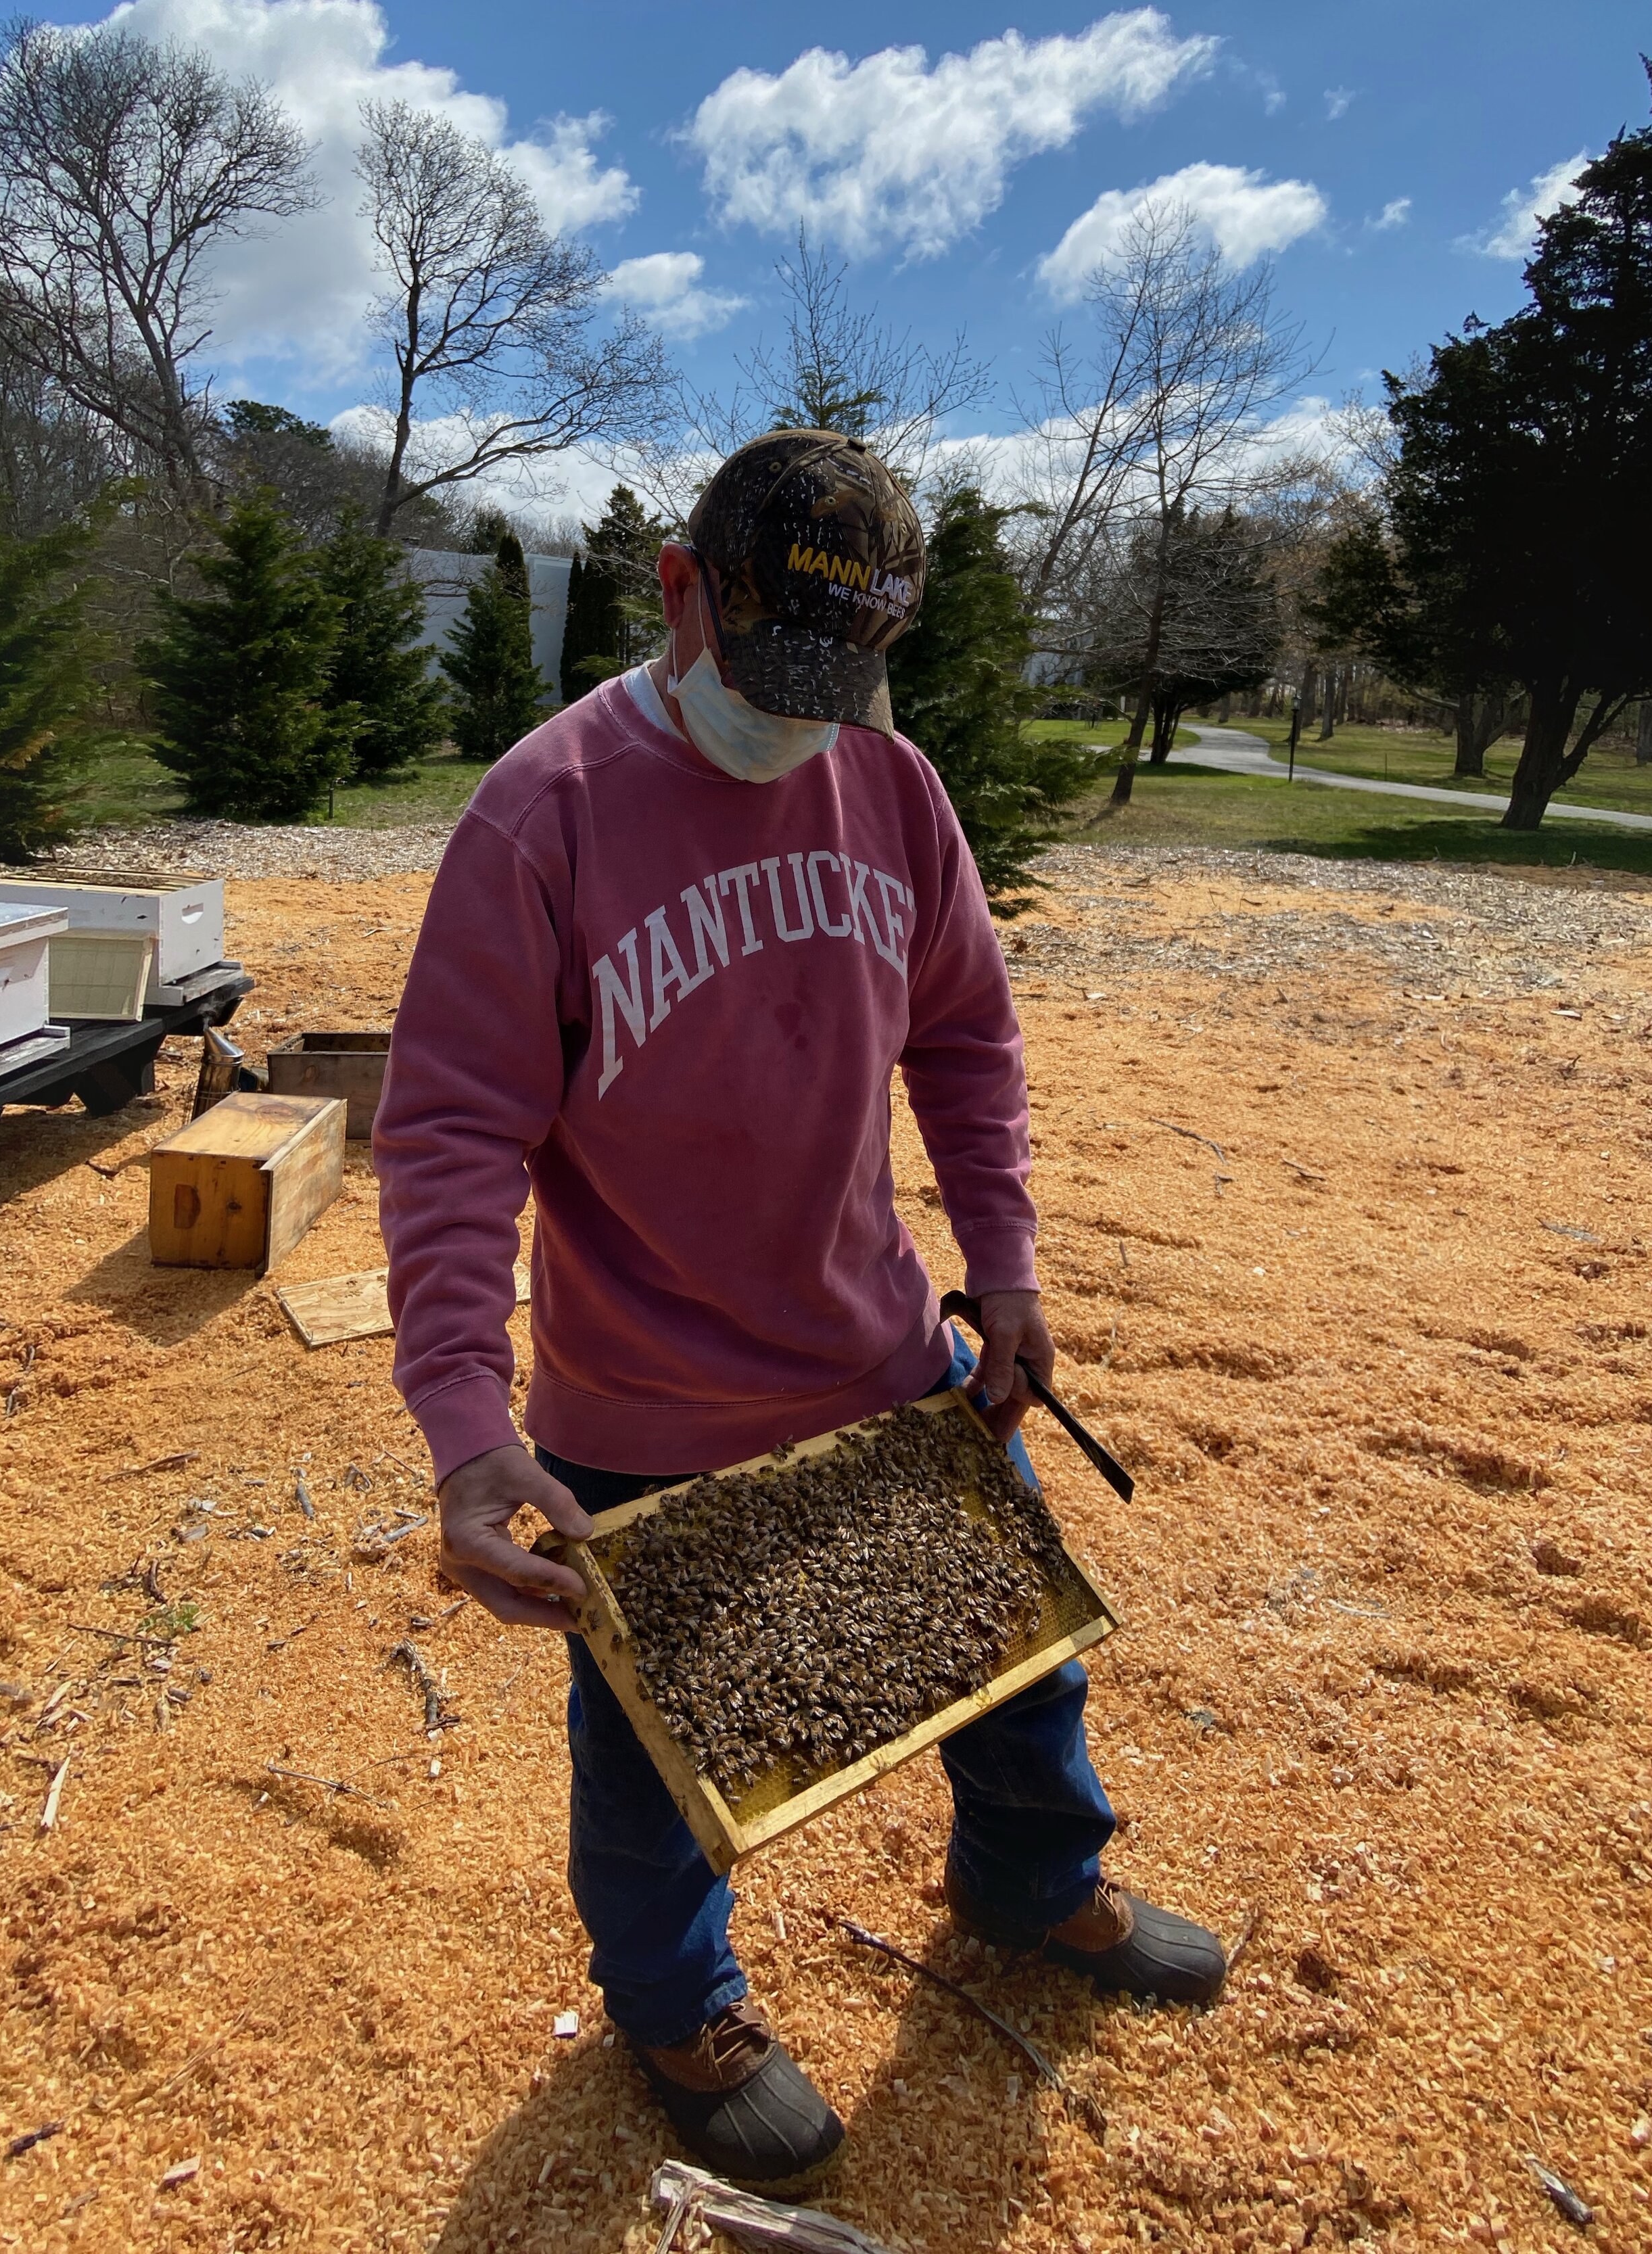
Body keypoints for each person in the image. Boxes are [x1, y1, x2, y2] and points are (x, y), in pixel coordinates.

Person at [373, 431, 1225, 2193]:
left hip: (879, 1349)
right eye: (772, 675)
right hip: (641, 1419)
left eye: (844, 683)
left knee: (1012, 1667)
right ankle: (675, 2003)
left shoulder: (894, 789)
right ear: (681, 595)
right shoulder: (542, 816)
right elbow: (449, 1135)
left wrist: (1004, 1261)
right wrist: (468, 1433)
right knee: (659, 1768)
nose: (802, 719)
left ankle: (1027, 1884)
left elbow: (966, 1037)